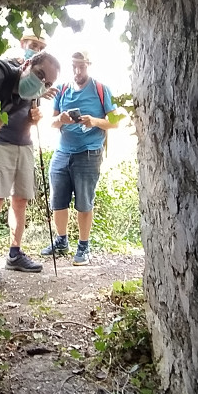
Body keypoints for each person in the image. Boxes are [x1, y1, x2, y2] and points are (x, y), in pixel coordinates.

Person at [0, 49, 60, 287]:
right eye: (40, 75)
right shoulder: (4, 72)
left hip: (24, 143)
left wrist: (34, 118)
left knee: (20, 200)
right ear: (27, 62)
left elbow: (29, 114)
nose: (41, 82)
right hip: (0, 143)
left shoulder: (32, 90)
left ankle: (14, 253)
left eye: (46, 81)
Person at [42, 49, 119, 266]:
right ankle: (61, 241)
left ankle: (83, 246)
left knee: (84, 201)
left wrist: (94, 121)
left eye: (81, 66)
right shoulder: (63, 89)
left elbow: (114, 122)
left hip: (89, 152)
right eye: (74, 66)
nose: (77, 71)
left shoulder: (102, 90)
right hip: (63, 151)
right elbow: (52, 122)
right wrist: (62, 119)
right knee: (58, 199)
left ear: (88, 65)